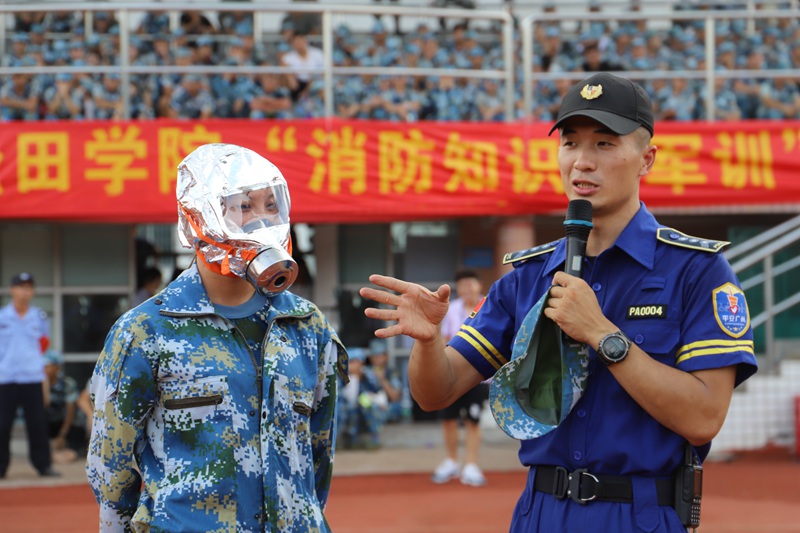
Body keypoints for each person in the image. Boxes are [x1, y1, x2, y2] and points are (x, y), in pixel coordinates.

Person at [360, 72, 758, 532]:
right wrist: (429, 342)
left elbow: (704, 417)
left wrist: (603, 335)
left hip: (640, 515)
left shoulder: (696, 270)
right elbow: (436, 392)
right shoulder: (528, 276)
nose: (582, 162)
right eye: (570, 143)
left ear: (646, 159)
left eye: (604, 144)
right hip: (541, 512)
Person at [86, 143, 348, 531]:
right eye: (243, 207)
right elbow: (111, 465)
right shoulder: (145, 330)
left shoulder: (307, 326)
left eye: (270, 205)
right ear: (197, 219)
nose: (261, 221)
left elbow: (318, 454)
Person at [431, 270, 488, 487]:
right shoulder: (450, 308)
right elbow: (443, 338)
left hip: (479, 374)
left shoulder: (489, 306)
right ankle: (451, 461)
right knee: (448, 418)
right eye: (462, 285)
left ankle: (471, 465)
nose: (467, 289)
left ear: (479, 285)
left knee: (473, 420)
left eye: (470, 284)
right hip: (452, 374)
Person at [0, 272, 60, 479]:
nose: (25, 292)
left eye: (29, 288)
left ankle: (43, 465)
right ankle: (1, 467)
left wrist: (32, 361)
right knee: (2, 424)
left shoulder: (39, 316)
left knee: (37, 423)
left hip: (32, 377)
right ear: (12, 290)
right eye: (21, 287)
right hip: (6, 377)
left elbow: (43, 343)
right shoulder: (2, 316)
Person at [43, 349, 86, 463]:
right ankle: (49, 453)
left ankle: (72, 451)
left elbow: (70, 411)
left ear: (57, 367)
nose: (44, 369)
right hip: (50, 421)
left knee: (77, 426)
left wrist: (62, 435)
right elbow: (41, 408)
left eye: (47, 366)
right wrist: (44, 386)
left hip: (67, 423)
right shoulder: (39, 384)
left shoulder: (67, 383)